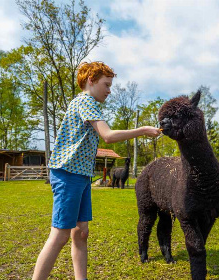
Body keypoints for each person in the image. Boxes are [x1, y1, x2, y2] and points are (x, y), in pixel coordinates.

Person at [32, 61, 161, 280]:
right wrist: (141, 130)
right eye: (107, 84)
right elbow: (108, 135)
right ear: (91, 81)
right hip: (68, 173)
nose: (109, 91)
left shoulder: (88, 103)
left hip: (81, 176)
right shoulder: (86, 100)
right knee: (60, 235)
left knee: (81, 233)